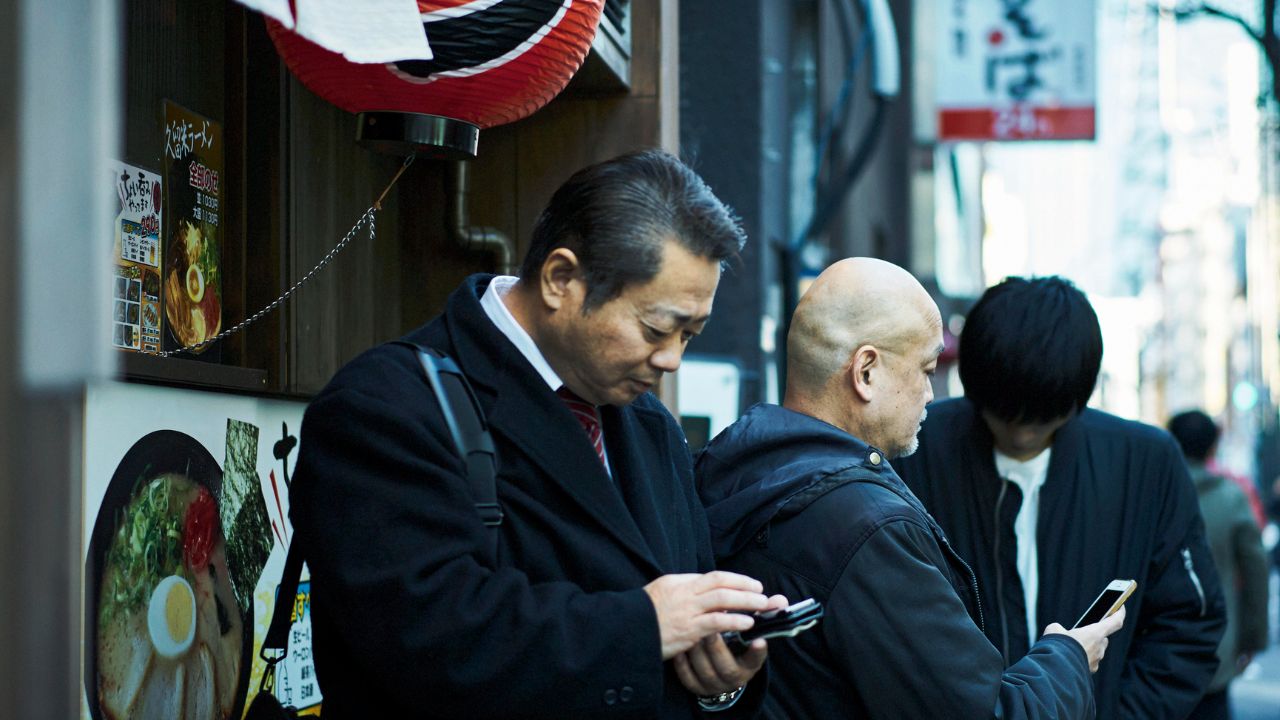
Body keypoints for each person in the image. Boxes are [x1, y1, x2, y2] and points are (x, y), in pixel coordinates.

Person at [290, 150, 786, 719]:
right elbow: (428, 636)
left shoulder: (648, 424)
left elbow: (681, 627)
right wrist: (642, 627)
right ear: (561, 279)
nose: (671, 360)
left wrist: (720, 681)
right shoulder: (385, 407)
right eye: (656, 329)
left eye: (690, 336)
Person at [696, 257, 1122, 719]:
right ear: (866, 372)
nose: (931, 393)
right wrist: (1069, 657)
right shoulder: (866, 527)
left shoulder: (727, 470)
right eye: (925, 368)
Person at [894, 276, 1226, 720]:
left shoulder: (1145, 462)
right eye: (1004, 415)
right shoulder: (910, 450)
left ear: (1077, 400)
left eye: (1042, 420)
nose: (1020, 433)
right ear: (975, 390)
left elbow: (1189, 623)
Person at [1167, 410, 1269, 720]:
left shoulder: (1153, 495)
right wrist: (1253, 637)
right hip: (1217, 646)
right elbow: (1255, 572)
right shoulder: (1231, 497)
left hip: (1155, 654)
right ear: (1213, 446)